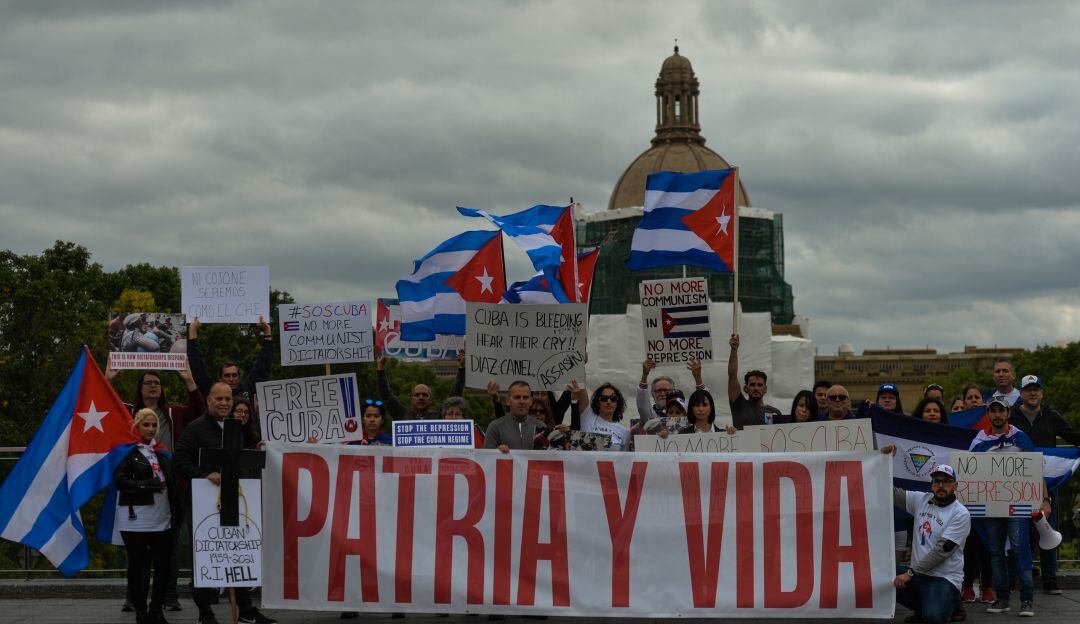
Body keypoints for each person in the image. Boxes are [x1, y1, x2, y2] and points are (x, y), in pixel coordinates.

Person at [173, 383, 276, 624]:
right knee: (205, 556)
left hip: (233, 500)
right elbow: (178, 460)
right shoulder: (195, 429)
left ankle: (246, 611)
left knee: (238, 553)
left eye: (227, 399)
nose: (223, 403)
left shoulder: (235, 429)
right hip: (204, 505)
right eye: (218, 399)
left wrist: (254, 451)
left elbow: (235, 460)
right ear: (208, 401)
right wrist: (203, 475)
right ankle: (205, 612)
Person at [106, 364, 203, 613]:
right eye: (148, 382)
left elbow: (199, 411)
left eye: (157, 383)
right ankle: (133, 596)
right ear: (140, 388)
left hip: (171, 490)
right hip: (137, 491)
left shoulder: (173, 412)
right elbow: (105, 405)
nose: (152, 386)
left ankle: (169, 596)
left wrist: (189, 380)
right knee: (136, 552)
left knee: (167, 548)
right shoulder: (129, 413)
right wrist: (108, 378)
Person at [880, 449, 971, 624]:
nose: (941, 486)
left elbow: (942, 552)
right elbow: (888, 491)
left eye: (947, 481)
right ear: (932, 484)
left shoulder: (960, 514)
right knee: (879, 577)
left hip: (943, 578)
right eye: (937, 481)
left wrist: (910, 573)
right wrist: (882, 461)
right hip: (918, 574)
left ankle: (952, 603)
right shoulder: (921, 500)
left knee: (934, 617)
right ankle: (922, 608)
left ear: (955, 486)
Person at [1009, 374, 1080, 595]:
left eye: (1036, 389)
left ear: (1042, 393)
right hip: (1017, 482)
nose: (1032, 393)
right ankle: (1016, 578)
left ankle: (1050, 580)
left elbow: (1073, 436)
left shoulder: (1052, 416)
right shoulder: (1011, 417)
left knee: (1048, 529)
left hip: (1047, 483)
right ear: (1021, 393)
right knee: (1018, 532)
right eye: (1028, 389)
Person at [971, 397, 1040, 616]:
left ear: (1008, 413)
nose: (998, 415)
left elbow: (1036, 471)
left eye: (1001, 410)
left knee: (1020, 549)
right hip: (990, 506)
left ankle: (1027, 599)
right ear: (988, 415)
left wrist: (1043, 500)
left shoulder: (1021, 438)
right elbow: (970, 473)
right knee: (996, 552)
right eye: (993, 411)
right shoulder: (978, 441)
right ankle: (1002, 598)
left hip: (1017, 505)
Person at [115, 409, 182, 624]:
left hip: (162, 518)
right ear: (136, 426)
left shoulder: (162, 452)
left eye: (154, 425)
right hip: (135, 519)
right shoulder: (126, 451)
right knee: (139, 567)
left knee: (163, 567)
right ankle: (141, 612)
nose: (151, 429)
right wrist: (150, 484)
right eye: (146, 424)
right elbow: (121, 482)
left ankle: (156, 610)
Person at [187, 317, 274, 399]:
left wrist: (267, 331)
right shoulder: (212, 392)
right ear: (220, 378)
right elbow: (198, 369)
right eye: (227, 375)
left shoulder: (248, 390)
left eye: (234, 375)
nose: (231, 379)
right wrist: (192, 331)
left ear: (239, 378)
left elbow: (263, 367)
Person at [377, 352, 465, 420]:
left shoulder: (438, 417)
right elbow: (386, 395)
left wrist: (461, 369)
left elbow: (454, 396)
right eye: (417, 395)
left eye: (425, 395)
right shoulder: (402, 414)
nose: (421, 397)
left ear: (431, 400)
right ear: (411, 399)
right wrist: (380, 368)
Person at [727, 334, 782, 428]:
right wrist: (734, 350)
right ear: (746, 388)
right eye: (752, 385)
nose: (756, 388)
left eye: (760, 385)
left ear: (765, 389)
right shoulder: (739, 405)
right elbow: (732, 376)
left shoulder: (774, 413)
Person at [484, 380, 546, 452]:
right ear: (508, 400)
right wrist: (496, 452)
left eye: (525, 397)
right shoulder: (495, 427)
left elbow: (548, 459)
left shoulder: (541, 427)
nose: (521, 401)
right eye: (517, 397)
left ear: (531, 401)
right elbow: (487, 459)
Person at [636, 359, 705, 422]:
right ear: (652, 393)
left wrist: (698, 378)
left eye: (666, 391)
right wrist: (644, 375)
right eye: (658, 391)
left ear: (673, 391)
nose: (662, 394)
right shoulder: (650, 416)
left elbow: (704, 403)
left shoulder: (687, 411)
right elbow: (642, 406)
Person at [572, 380, 632, 451]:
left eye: (613, 399)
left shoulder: (625, 432)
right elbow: (580, 383)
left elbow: (623, 459)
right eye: (604, 399)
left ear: (617, 403)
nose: (609, 402)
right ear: (598, 402)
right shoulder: (588, 417)